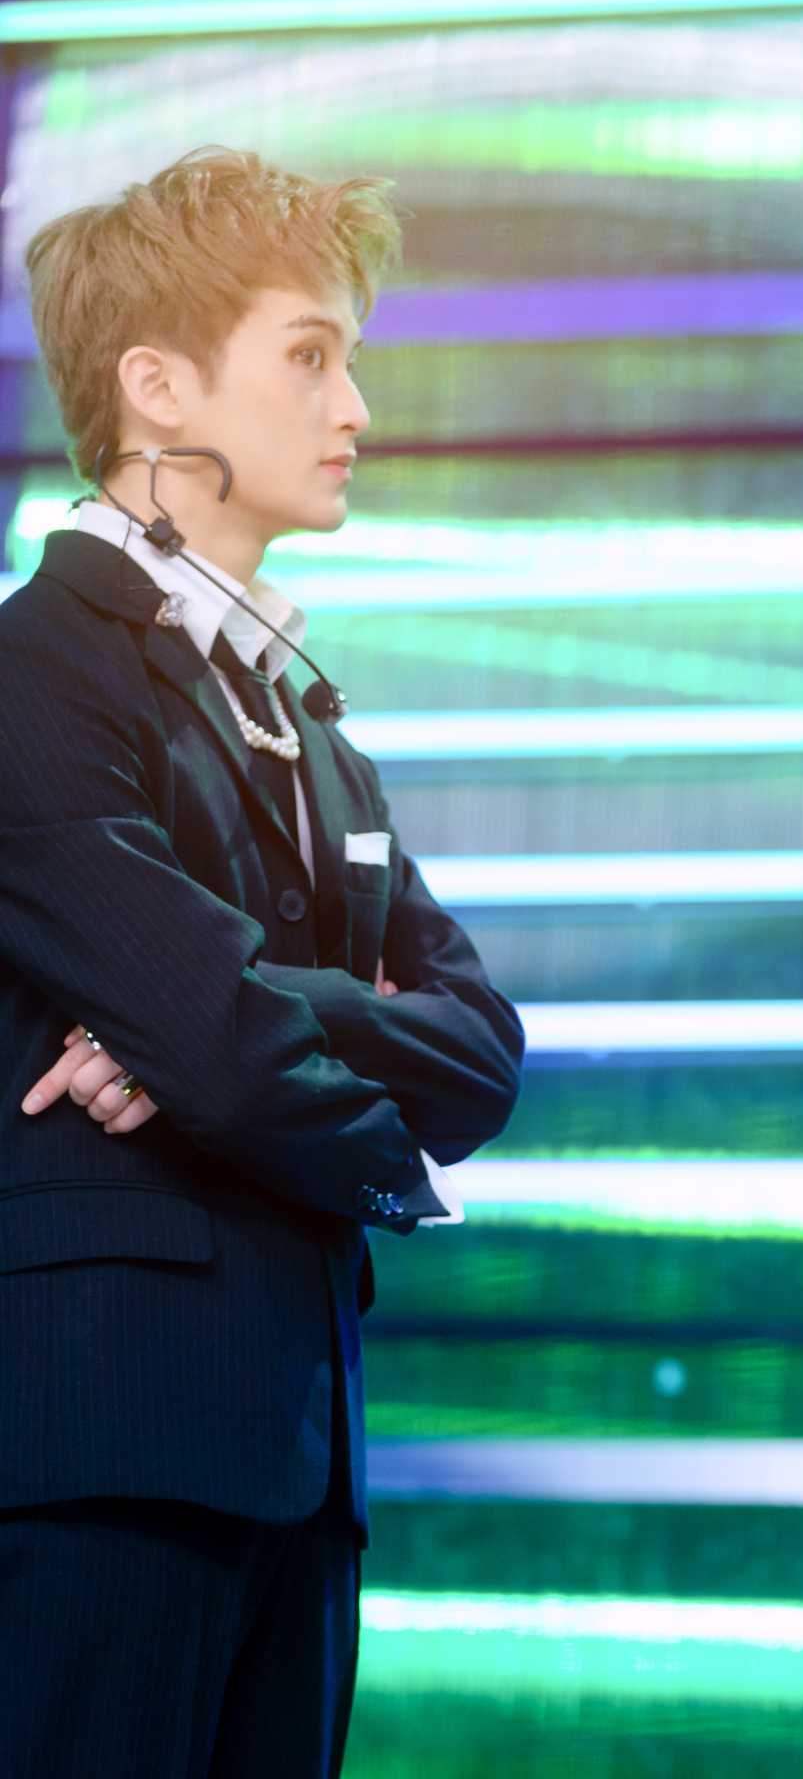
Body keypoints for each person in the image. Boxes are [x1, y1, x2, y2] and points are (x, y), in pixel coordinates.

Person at [0, 149, 523, 1774]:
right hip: (99, 1447)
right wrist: (246, 1033)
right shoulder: (34, 670)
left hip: (304, 1452)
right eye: (310, 355)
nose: (354, 406)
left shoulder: (310, 720)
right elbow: (220, 1046)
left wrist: (249, 1014)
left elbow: (484, 1055)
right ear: (157, 387)